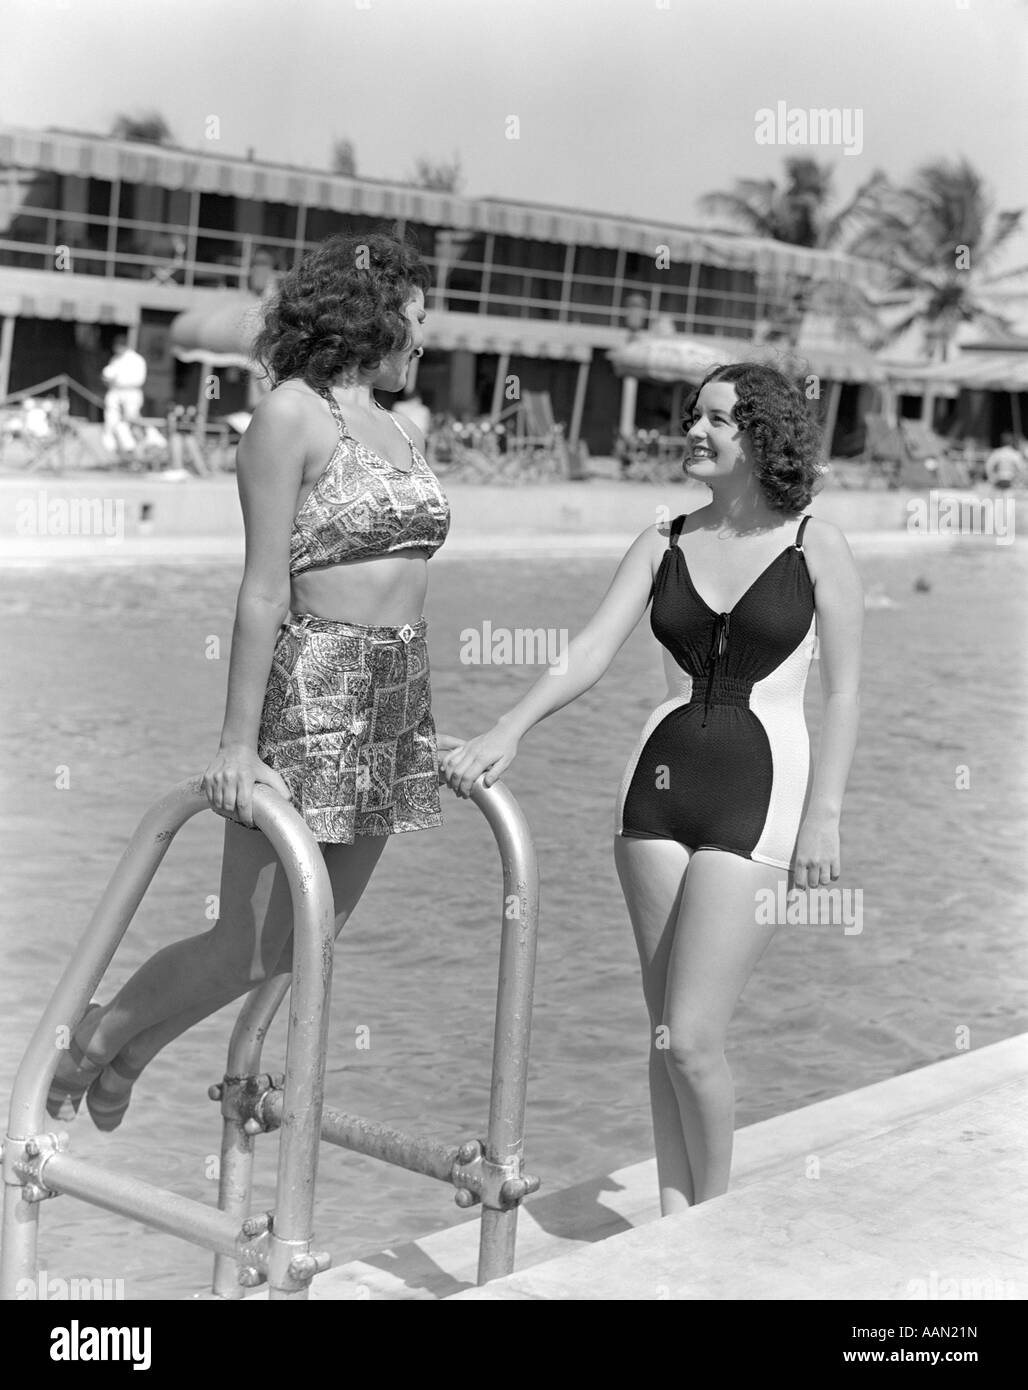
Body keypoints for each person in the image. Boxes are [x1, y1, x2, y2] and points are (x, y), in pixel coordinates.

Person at [47, 231, 455, 1129]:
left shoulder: (405, 425)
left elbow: (404, 578)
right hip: (315, 693)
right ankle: (92, 1042)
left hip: (395, 699)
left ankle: (130, 1054)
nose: (426, 339)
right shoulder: (290, 418)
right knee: (247, 943)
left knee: (305, 941)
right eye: (418, 318)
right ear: (375, 314)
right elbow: (264, 586)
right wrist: (235, 743)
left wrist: (430, 728)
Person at [441, 363, 863, 1211]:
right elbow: (588, 651)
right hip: (654, 800)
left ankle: (717, 1220)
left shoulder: (816, 543)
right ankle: (676, 1219)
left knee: (697, 1042)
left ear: (762, 436)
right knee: (667, 1032)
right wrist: (507, 729)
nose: (692, 434)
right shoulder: (661, 539)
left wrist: (826, 816)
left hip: (764, 800)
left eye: (715, 421)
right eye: (691, 418)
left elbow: (844, 689)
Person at [101, 334, 147, 459]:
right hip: (116, 392)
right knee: (112, 420)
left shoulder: (136, 359)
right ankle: (120, 450)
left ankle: (138, 452)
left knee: (131, 420)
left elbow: (138, 380)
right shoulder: (115, 359)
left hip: (131, 393)